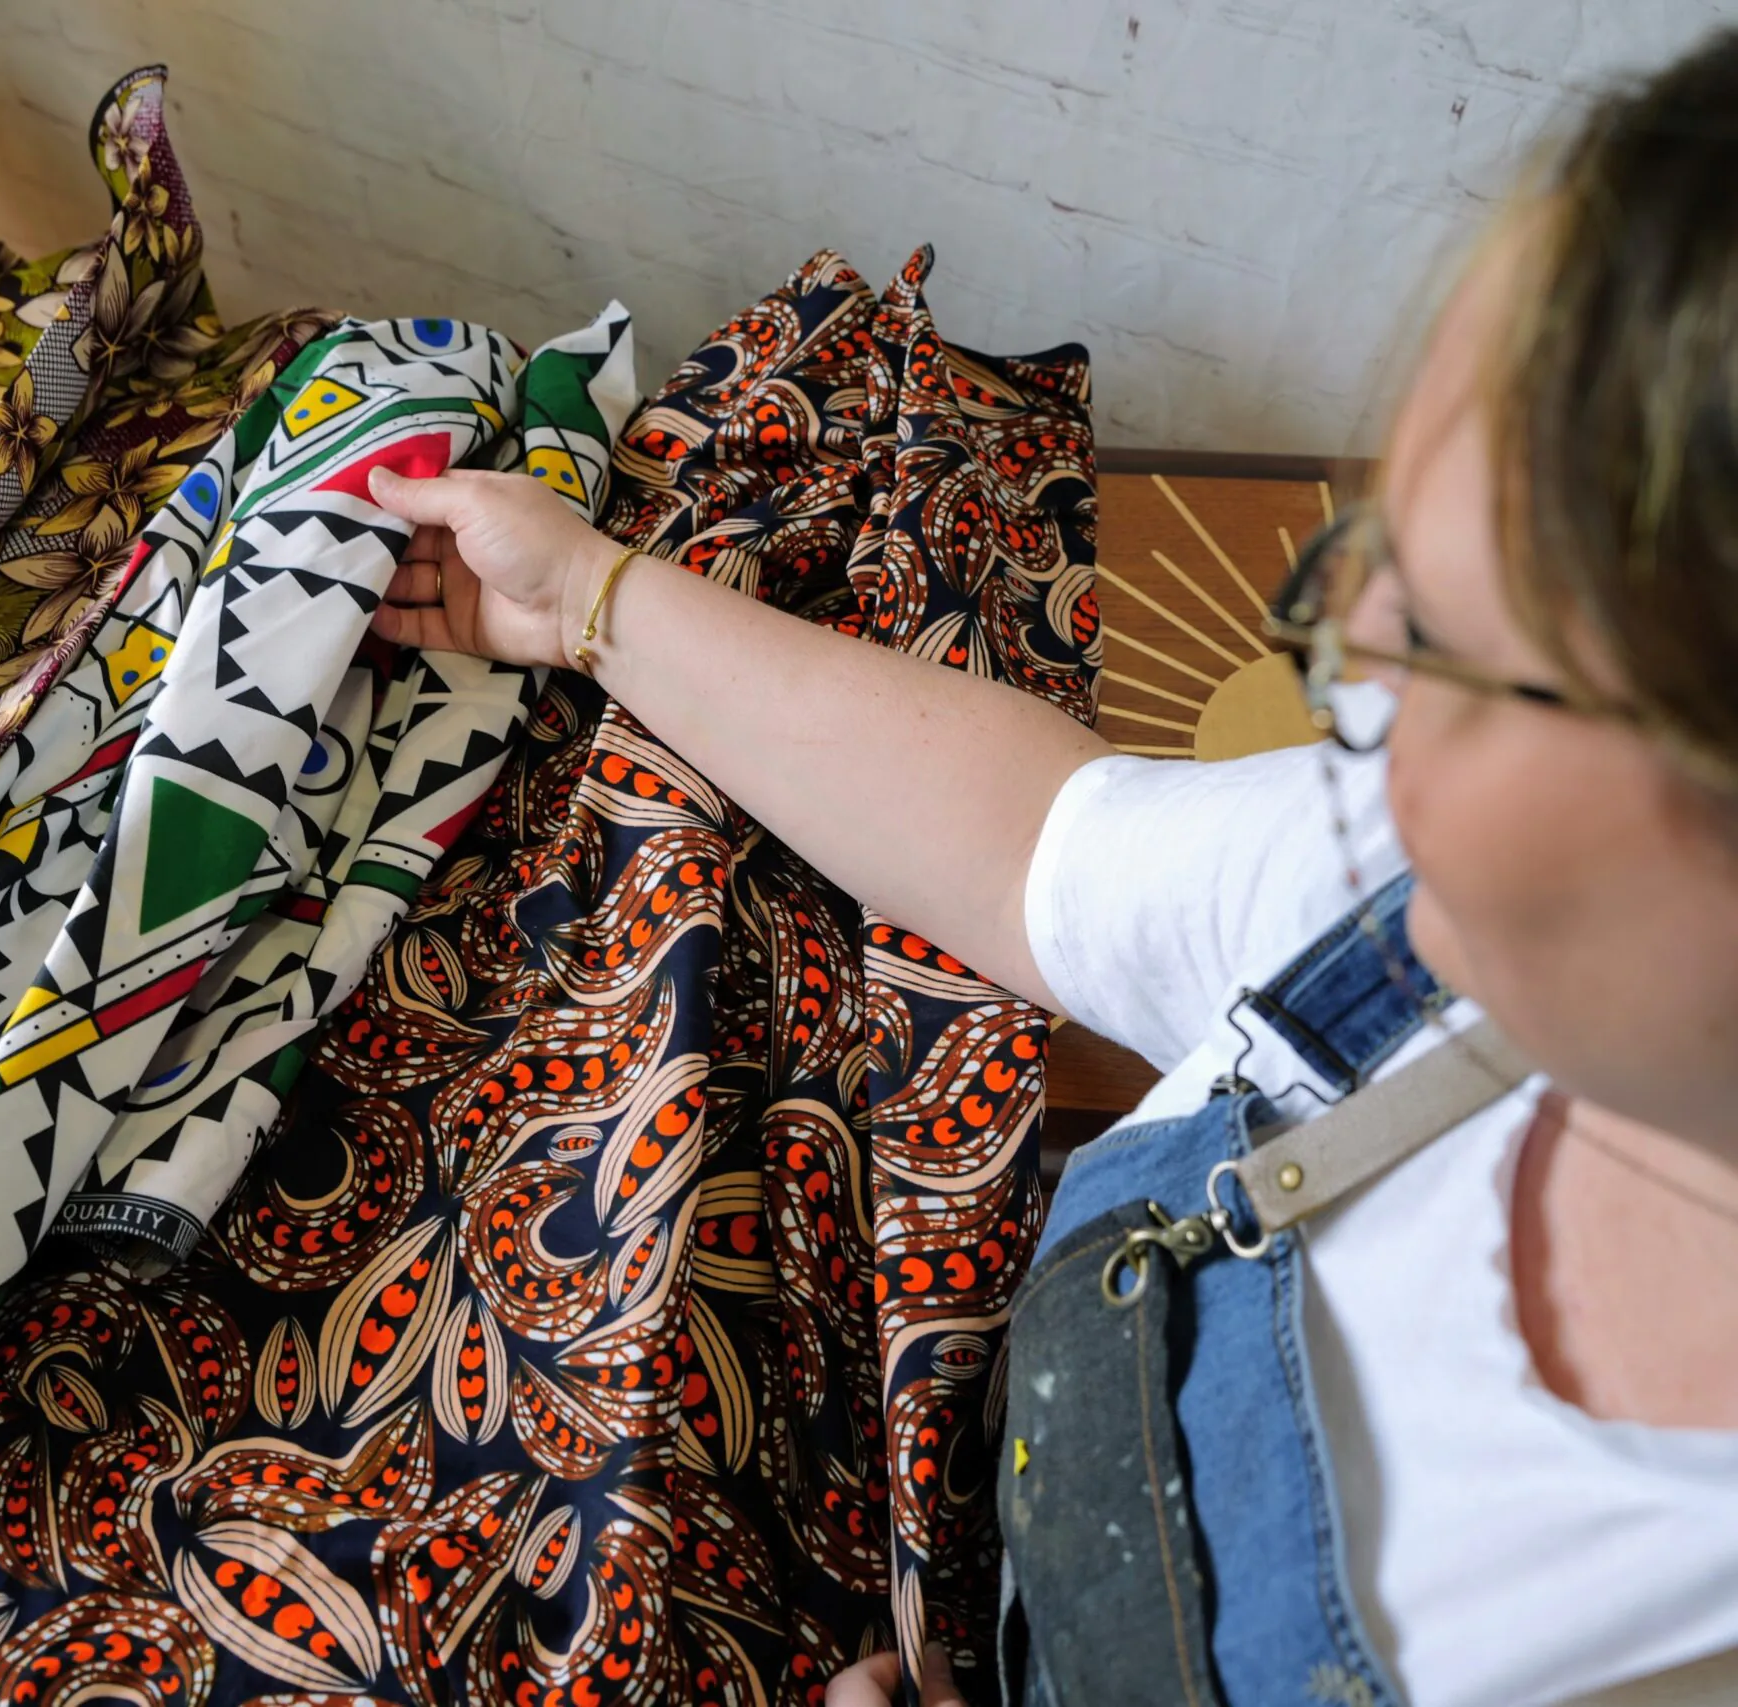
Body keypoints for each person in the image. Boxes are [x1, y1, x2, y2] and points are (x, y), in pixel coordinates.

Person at [360, 26, 1738, 1707]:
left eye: (1450, 638)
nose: (1352, 660)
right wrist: (587, 598)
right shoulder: (1423, 933)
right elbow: (1041, 853)